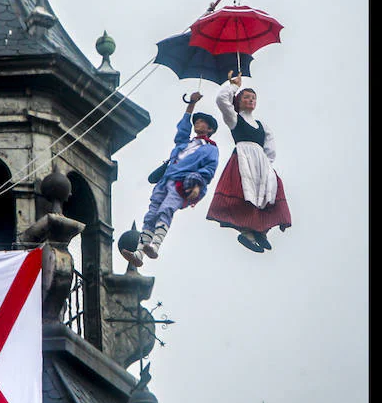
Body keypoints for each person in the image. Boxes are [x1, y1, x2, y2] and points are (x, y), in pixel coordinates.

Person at [122, 92, 219, 268]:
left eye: (202, 121)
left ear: (210, 129)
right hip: (165, 180)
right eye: (197, 121)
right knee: (151, 214)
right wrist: (191, 104)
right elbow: (182, 128)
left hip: (181, 183)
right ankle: (139, 253)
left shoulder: (210, 149)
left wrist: (197, 185)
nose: (197, 123)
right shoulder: (184, 143)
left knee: (166, 209)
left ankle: (155, 246)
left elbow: (209, 169)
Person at [206, 72, 291, 252]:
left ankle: (260, 230)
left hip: (261, 162)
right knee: (246, 195)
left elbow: (270, 149)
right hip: (243, 159)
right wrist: (234, 85)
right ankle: (247, 232)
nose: (250, 100)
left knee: (267, 194)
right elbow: (222, 100)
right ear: (239, 100)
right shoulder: (235, 119)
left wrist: (266, 166)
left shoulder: (262, 126)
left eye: (253, 98)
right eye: (246, 97)